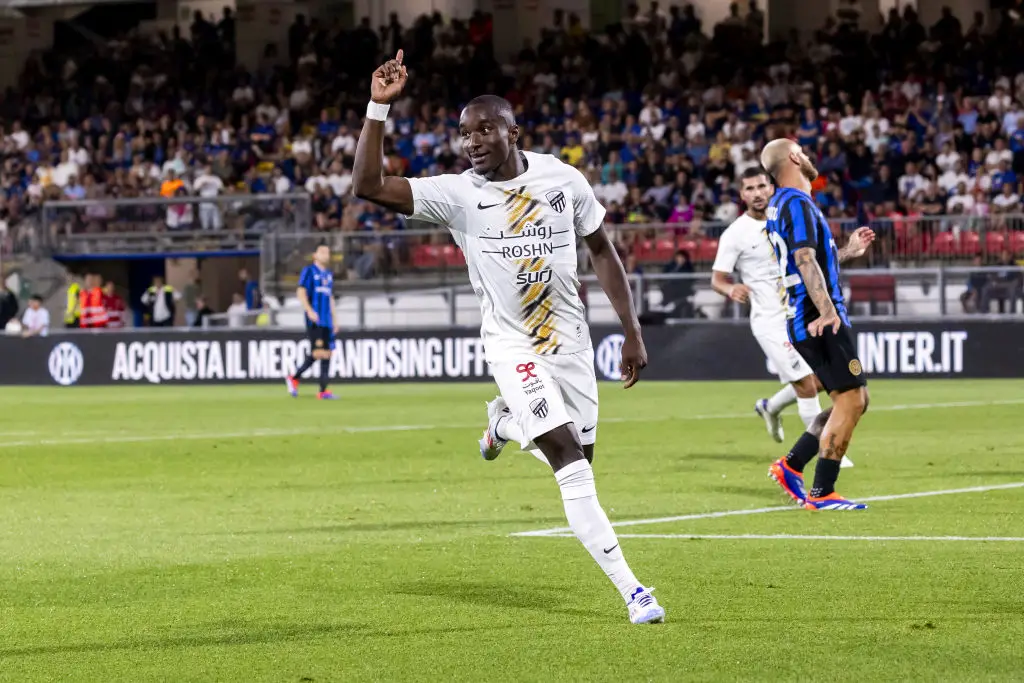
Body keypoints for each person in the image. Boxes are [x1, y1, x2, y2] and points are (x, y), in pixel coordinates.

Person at [351, 51, 664, 624]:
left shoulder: (562, 180)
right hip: (513, 346)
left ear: (513, 131)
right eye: (465, 134)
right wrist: (378, 107)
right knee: (569, 460)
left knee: (581, 462)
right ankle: (634, 590)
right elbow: (367, 185)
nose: (472, 142)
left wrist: (631, 329)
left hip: (569, 345)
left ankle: (503, 423)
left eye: (484, 129)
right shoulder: (457, 194)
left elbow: (601, 249)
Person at [711, 167, 873, 468]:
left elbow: (810, 262)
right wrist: (730, 288)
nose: (757, 193)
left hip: (800, 311)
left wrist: (848, 251)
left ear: (771, 186)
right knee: (806, 385)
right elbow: (717, 279)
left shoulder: (784, 217)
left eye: (762, 186)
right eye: (750, 189)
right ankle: (829, 449)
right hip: (770, 321)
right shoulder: (735, 233)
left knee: (821, 380)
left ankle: (770, 407)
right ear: (741, 194)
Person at [760, 138, 871, 511]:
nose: (808, 156)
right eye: (803, 151)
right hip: (814, 315)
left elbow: (810, 261)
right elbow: (805, 260)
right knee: (851, 400)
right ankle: (822, 492)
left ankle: (791, 465)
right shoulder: (795, 202)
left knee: (854, 399)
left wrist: (847, 252)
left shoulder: (782, 206)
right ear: (794, 158)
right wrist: (826, 311)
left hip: (806, 312)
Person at [285, 244, 340, 400]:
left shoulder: (329, 274)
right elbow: (301, 291)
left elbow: (330, 298)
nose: (325, 255)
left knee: (327, 354)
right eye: (322, 252)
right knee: (318, 353)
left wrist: (335, 320)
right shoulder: (309, 271)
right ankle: (294, 377)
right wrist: (309, 310)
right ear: (315, 255)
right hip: (315, 318)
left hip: (327, 320)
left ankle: (323, 391)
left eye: (328, 252)